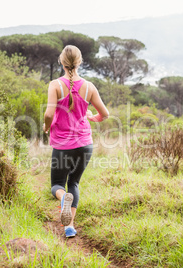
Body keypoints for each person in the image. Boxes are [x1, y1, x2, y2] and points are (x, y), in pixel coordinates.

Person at [43, 45, 109, 238]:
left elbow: (48, 113)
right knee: (74, 182)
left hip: (63, 145)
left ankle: (63, 199)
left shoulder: (55, 85)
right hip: (85, 145)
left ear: (61, 62)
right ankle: (69, 227)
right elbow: (105, 114)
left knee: (57, 185)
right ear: (79, 62)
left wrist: (46, 127)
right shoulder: (89, 87)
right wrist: (90, 117)